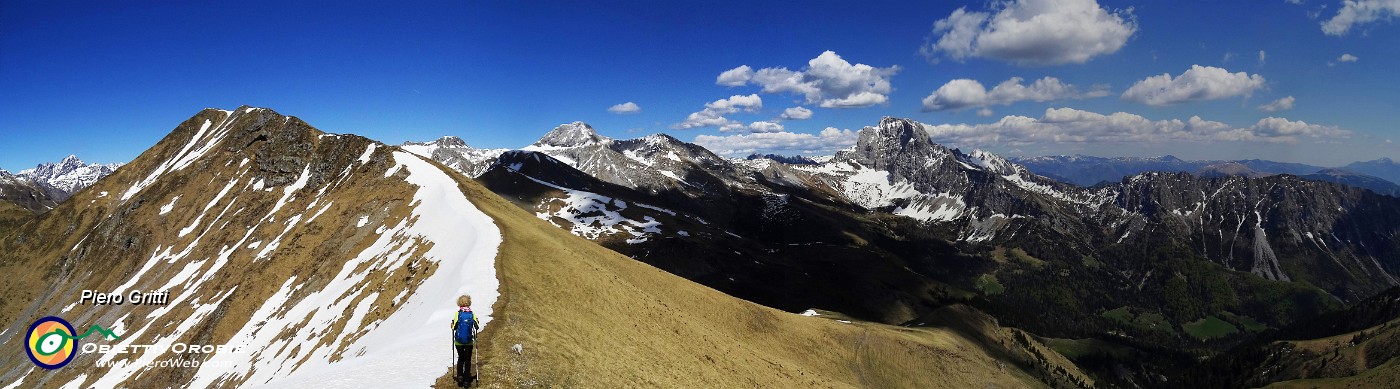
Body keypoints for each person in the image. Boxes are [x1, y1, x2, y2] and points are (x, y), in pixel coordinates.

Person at [452, 294, 480, 387]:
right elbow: (476, 326)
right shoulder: (472, 314)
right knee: (467, 360)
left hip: (458, 342)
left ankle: (460, 376)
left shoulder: (458, 314)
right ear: (469, 303)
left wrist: (452, 325)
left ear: (459, 303)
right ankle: (467, 381)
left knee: (461, 358)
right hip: (468, 341)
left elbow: (454, 327)